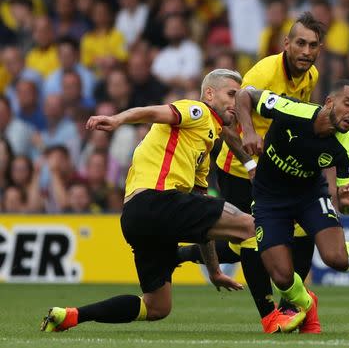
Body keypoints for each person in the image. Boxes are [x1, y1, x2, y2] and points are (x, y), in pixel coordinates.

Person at [40, 69, 257, 332]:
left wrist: (214, 271)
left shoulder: (202, 146)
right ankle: (287, 306)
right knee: (250, 226)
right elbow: (153, 112)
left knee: (156, 307)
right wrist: (117, 119)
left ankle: (71, 316)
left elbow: (202, 222)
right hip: (158, 200)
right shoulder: (197, 111)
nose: (237, 102)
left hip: (136, 216)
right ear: (210, 94)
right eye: (232, 94)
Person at [178, 12, 324, 334]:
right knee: (252, 239)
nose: (306, 50)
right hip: (239, 169)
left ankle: (185, 253)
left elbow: (295, 120)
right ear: (286, 44)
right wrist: (250, 160)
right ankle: (271, 316)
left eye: (312, 45)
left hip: (275, 169)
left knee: (296, 233)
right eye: (300, 43)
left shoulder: (310, 76)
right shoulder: (264, 72)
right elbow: (232, 119)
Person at [234, 80, 349, 327]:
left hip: (310, 196)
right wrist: (249, 130)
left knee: (335, 259)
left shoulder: (348, 147)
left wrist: (346, 203)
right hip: (269, 199)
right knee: (282, 278)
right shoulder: (292, 109)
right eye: (348, 104)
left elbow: (346, 203)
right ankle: (308, 305)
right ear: (329, 102)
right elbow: (244, 95)